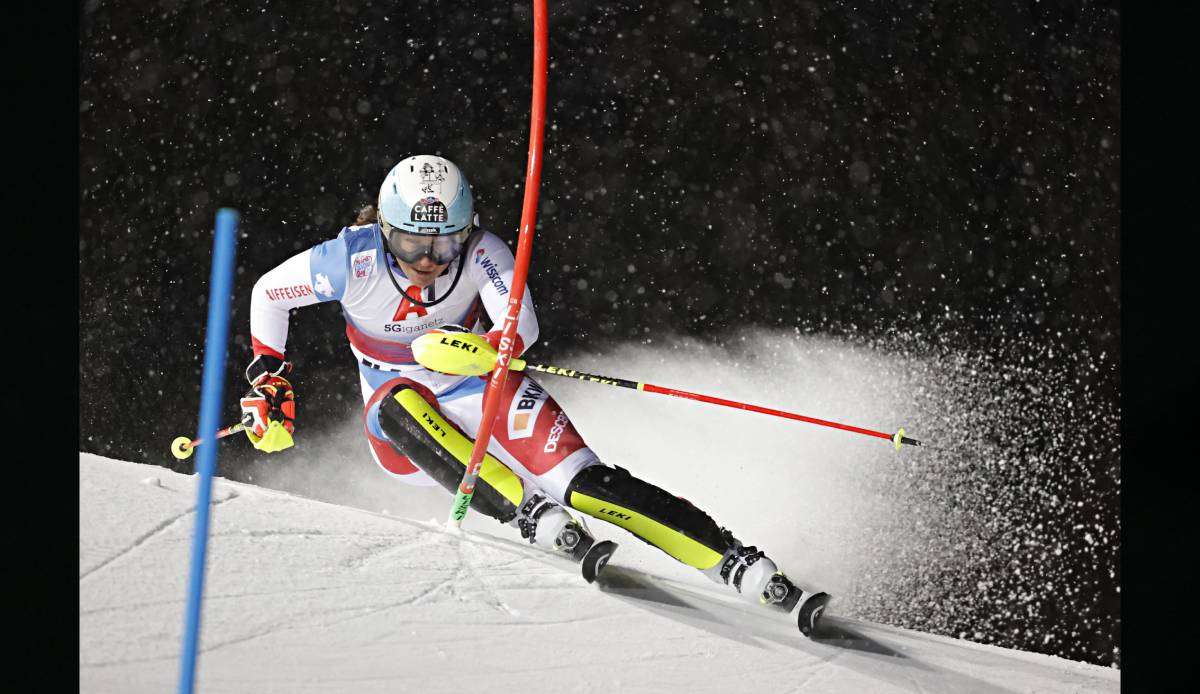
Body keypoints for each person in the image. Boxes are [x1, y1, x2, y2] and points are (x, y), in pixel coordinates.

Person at [239, 154, 828, 631]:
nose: (426, 262)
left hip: (480, 387)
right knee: (395, 406)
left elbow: (521, 324)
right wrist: (270, 376)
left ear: (464, 234)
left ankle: (735, 562)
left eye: (442, 247)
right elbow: (270, 293)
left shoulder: (483, 253)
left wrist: (496, 344)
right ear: (384, 231)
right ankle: (527, 512)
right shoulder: (352, 260)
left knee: (590, 487)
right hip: (406, 426)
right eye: (411, 245)